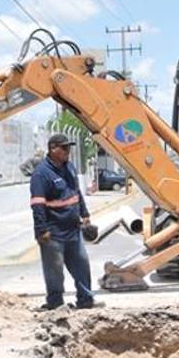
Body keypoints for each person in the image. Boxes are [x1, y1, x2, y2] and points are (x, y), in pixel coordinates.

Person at [29, 133, 102, 311]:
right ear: (52, 149)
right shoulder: (41, 174)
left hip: (73, 229)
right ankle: (55, 305)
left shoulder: (68, 167)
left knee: (82, 266)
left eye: (68, 148)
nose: (67, 151)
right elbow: (37, 205)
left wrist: (85, 215)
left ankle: (85, 301)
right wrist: (41, 230)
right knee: (54, 271)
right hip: (53, 233)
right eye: (64, 148)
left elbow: (76, 194)